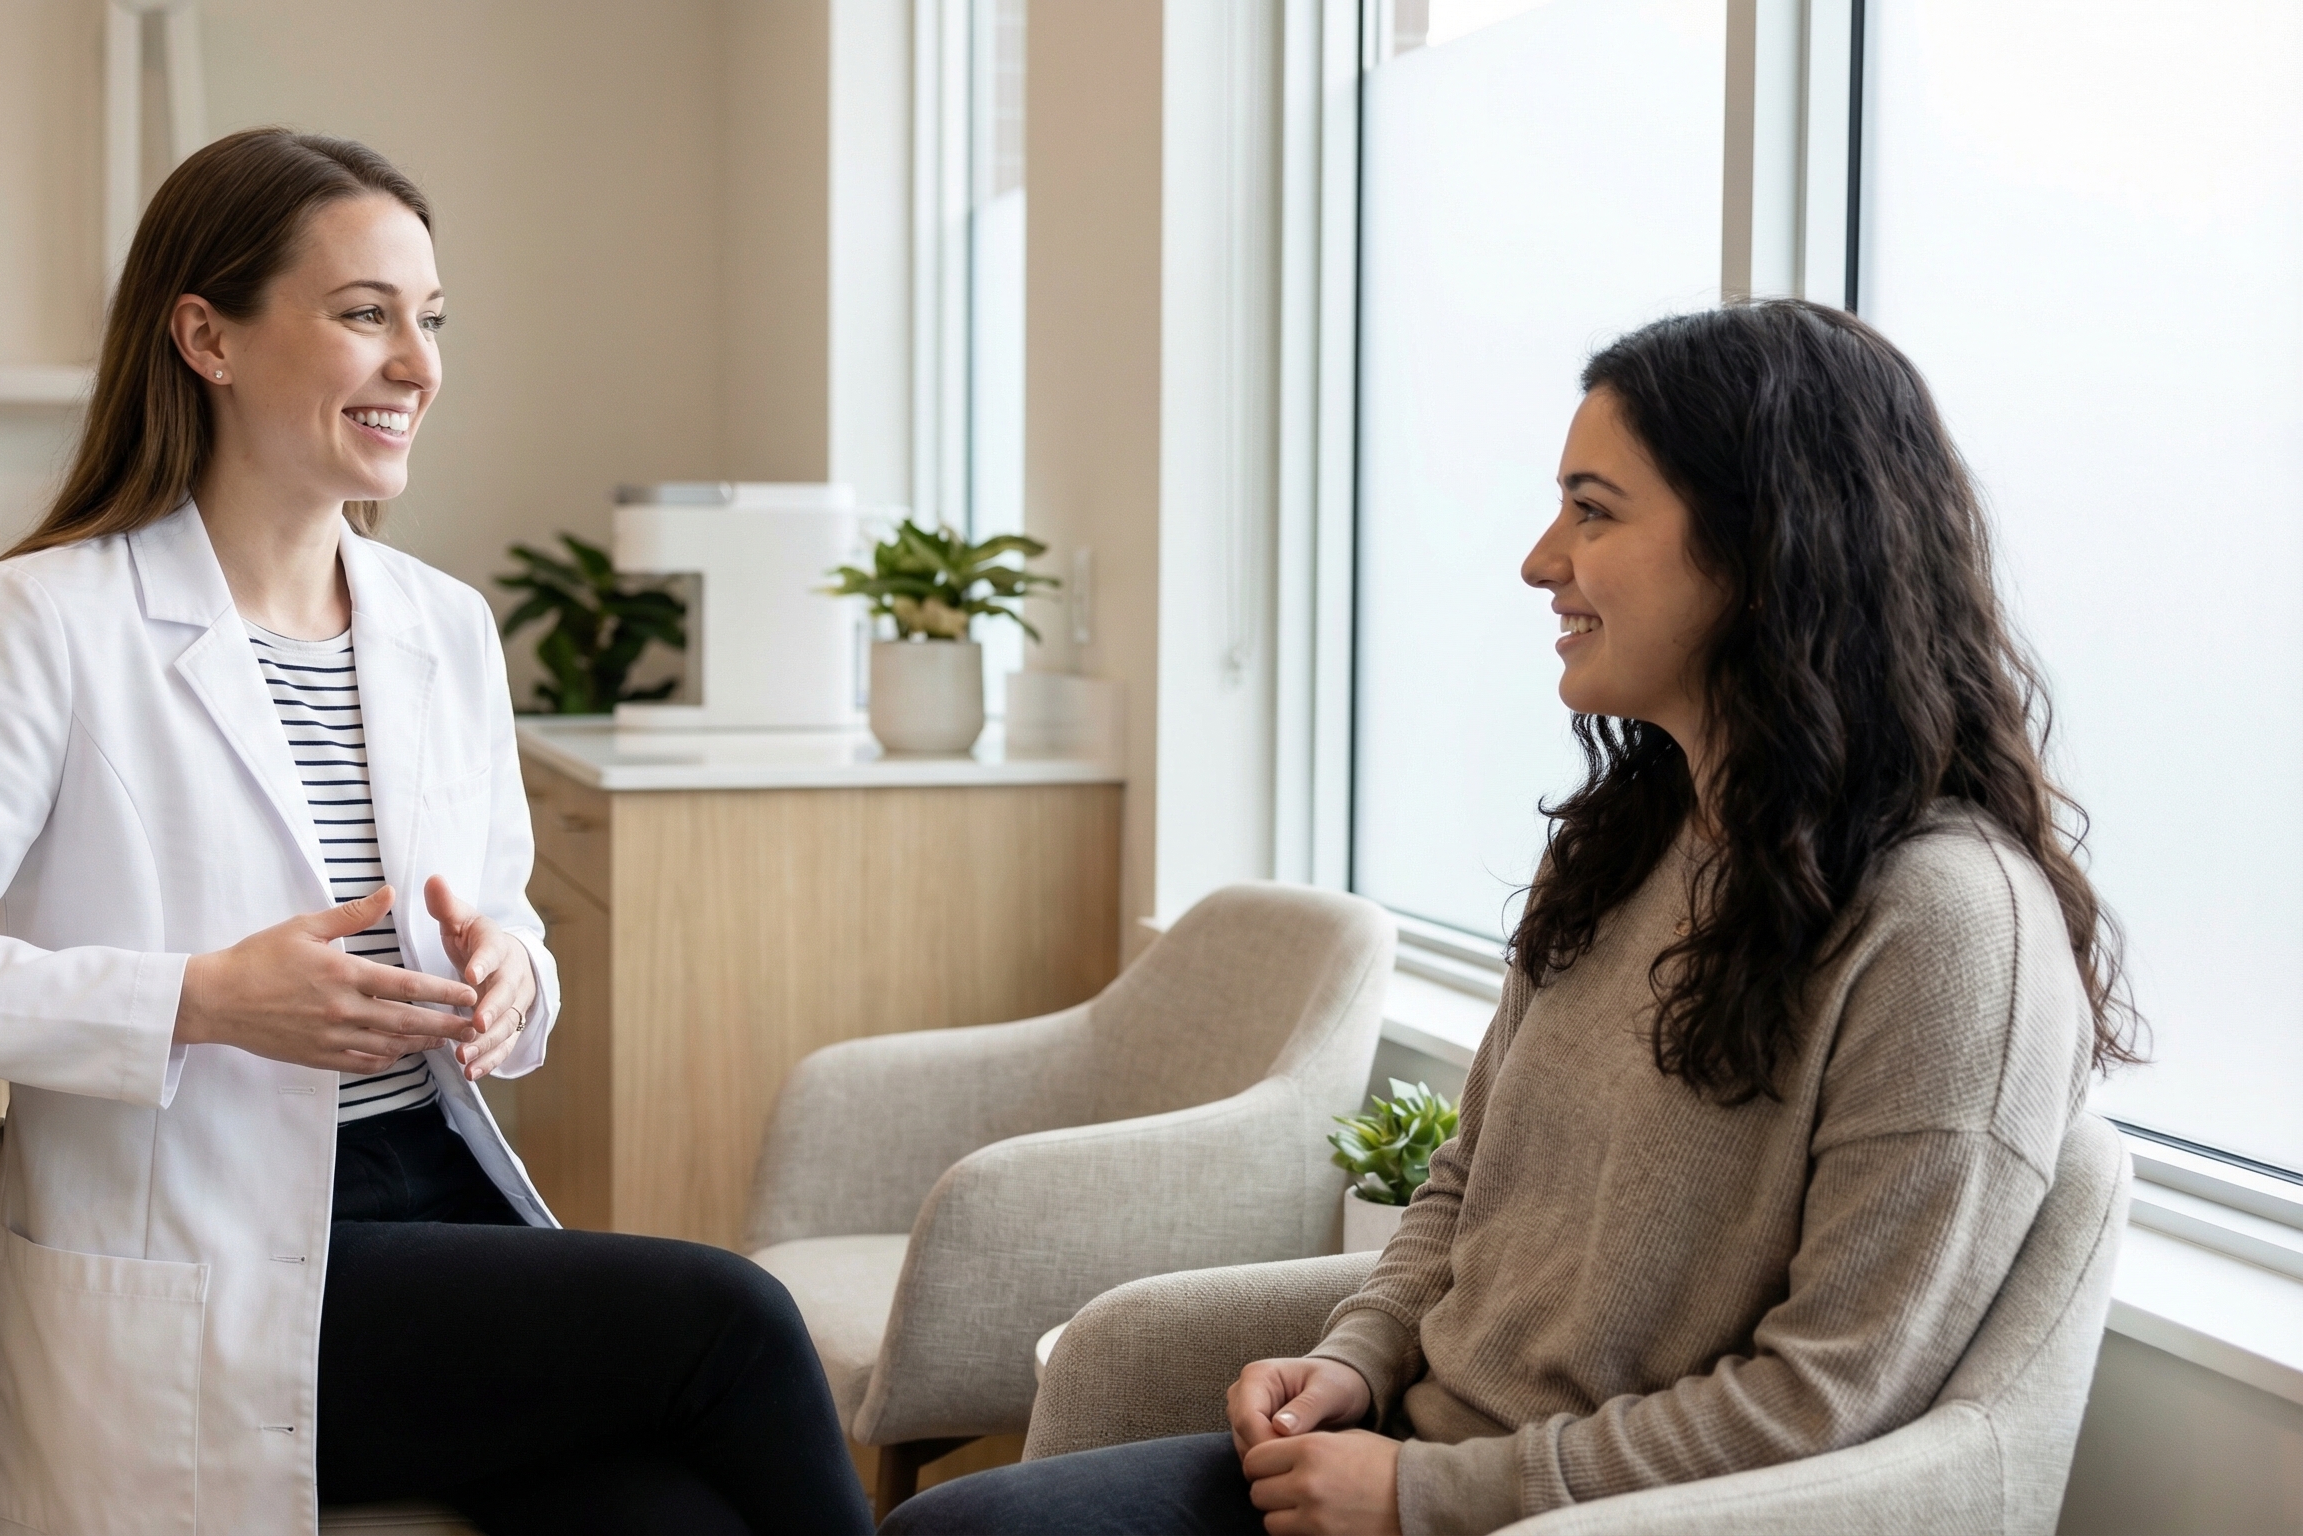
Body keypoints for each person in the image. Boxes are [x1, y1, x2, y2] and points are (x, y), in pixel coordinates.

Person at [884, 300, 2139, 1536]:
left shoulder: (1951, 931)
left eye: (1593, 511)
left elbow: (1827, 1402)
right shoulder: (1629, 847)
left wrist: (1428, 1496)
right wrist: (1357, 1360)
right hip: (1409, 1465)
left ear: (1765, 551)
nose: (1542, 560)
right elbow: (1469, 1184)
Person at [0, 128, 872, 1536]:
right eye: (366, 315)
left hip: (439, 1201)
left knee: (677, 1521)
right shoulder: (49, 620)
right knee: (732, 1318)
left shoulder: (441, 627)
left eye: (430, 320)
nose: (418, 363)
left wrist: (511, 977)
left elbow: (507, 917)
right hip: (220, 1267)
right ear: (206, 337)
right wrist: (205, 999)